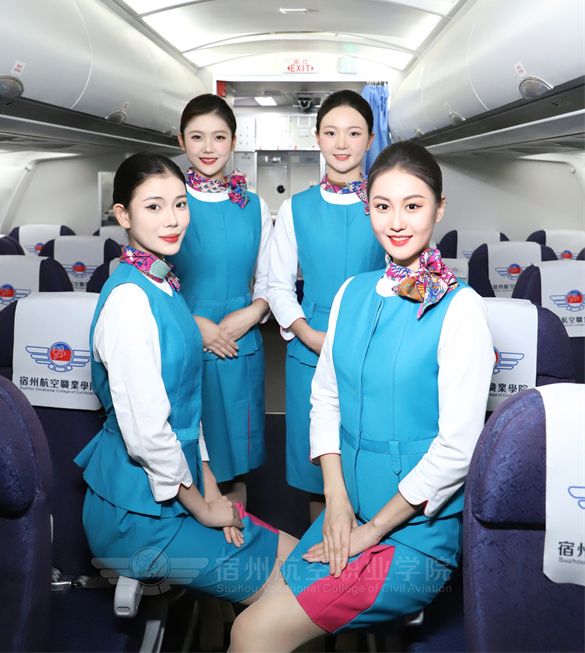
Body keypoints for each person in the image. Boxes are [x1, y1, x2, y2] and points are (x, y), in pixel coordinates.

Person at [230, 140, 494, 651]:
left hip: (413, 534)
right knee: (257, 605)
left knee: (252, 631)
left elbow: (458, 450)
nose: (396, 222)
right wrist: (335, 503)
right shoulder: (353, 292)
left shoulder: (462, 310)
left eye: (413, 206)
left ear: (439, 208)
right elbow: (326, 399)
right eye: (382, 206)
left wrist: (369, 532)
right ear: (367, 207)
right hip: (346, 512)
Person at [75, 153, 296, 608]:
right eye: (154, 207)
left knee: (299, 558)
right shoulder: (130, 301)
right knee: (298, 587)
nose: (172, 219)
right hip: (137, 517)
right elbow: (148, 434)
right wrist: (205, 510)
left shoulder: (162, 283)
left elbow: (186, 410)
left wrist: (213, 492)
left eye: (180, 204)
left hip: (180, 487)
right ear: (123, 215)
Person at [268, 89, 384, 517]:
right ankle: (322, 557)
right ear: (317, 138)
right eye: (331, 132)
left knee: (369, 460)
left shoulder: (385, 204)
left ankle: (365, 553)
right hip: (310, 346)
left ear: (370, 139)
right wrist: (308, 334)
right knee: (317, 471)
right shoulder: (295, 208)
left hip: (374, 343)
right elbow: (278, 286)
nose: (341, 143)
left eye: (353, 132)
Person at [172, 94, 271, 507]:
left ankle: (237, 539)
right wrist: (195, 324)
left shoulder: (254, 206)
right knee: (186, 455)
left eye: (219, 137)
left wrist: (253, 313)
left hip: (238, 345)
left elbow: (269, 279)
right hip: (182, 339)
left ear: (233, 140)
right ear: (182, 141)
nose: (208, 148)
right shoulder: (169, 202)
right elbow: (149, 276)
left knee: (234, 462)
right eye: (197, 137)